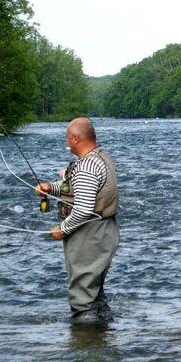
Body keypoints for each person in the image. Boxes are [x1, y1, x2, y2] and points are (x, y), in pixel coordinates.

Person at [35, 117, 119, 324]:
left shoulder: (86, 167)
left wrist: (62, 229)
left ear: (75, 138)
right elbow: (79, 190)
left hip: (90, 234)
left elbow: (82, 209)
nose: (67, 141)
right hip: (104, 231)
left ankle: (86, 346)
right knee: (94, 289)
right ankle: (102, 338)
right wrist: (50, 188)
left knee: (83, 296)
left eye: (67, 137)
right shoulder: (100, 158)